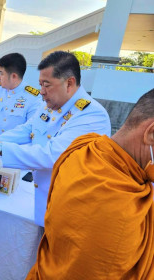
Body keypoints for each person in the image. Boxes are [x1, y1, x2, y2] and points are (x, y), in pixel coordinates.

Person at [0, 51, 111, 227]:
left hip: (71, 212)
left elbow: (50, 155)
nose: (42, 92)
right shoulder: (51, 106)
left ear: (69, 83)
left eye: (47, 85)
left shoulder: (92, 115)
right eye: (40, 84)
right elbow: (26, 130)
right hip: (45, 202)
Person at [26, 88, 154, 279]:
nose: (43, 91)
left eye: (47, 84)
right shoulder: (119, 207)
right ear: (151, 133)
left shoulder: (84, 147)